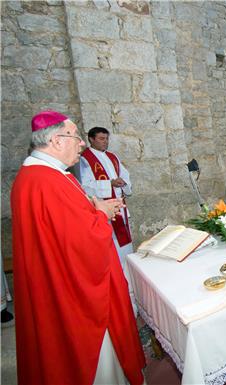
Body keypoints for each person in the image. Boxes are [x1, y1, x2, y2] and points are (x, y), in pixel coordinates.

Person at [10, 111, 145, 384]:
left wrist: (95, 207)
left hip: (56, 279)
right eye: (75, 137)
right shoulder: (45, 181)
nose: (81, 144)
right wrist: (102, 215)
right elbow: (81, 240)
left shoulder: (46, 175)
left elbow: (66, 225)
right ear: (56, 140)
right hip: (74, 293)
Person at [80, 127, 134, 271]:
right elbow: (85, 187)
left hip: (119, 208)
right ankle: (118, 274)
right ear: (91, 139)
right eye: (101, 139)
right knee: (112, 247)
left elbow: (125, 175)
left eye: (107, 139)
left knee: (125, 247)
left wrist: (123, 182)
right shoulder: (85, 159)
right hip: (103, 211)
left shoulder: (112, 157)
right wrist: (109, 183)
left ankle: (128, 274)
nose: (105, 142)